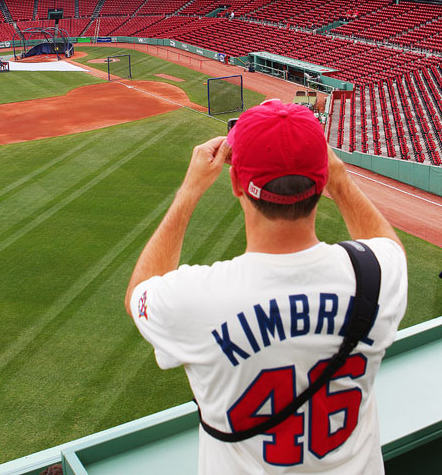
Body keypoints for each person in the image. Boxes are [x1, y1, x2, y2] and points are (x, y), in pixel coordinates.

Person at [126, 100, 407, 474]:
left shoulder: (196, 299)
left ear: (237, 182)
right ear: (321, 179)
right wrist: (338, 177)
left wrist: (190, 190)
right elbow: (387, 247)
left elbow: (140, 293)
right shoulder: (376, 275)